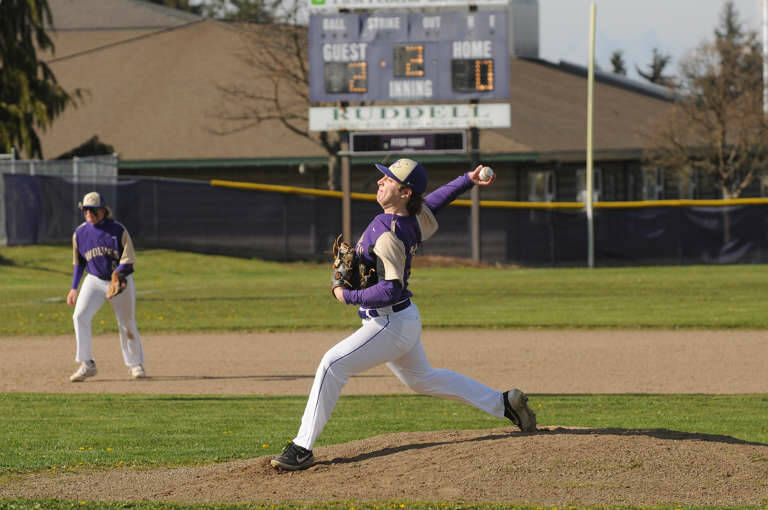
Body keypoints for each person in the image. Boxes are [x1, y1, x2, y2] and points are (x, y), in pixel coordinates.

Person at [270, 159, 536, 471]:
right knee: (422, 379)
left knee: (331, 365)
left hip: (389, 322)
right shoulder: (412, 217)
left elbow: (390, 289)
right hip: (402, 319)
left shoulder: (388, 233)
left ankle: (302, 448)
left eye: (388, 179)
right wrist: (467, 179)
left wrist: (346, 295)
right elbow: (434, 202)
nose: (381, 181)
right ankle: (502, 402)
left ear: (405, 191)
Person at [66, 191, 146, 382]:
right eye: (85, 209)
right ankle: (87, 363)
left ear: (103, 210)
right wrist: (74, 287)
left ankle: (135, 363)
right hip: (93, 280)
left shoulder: (117, 230)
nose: (89, 213)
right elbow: (79, 263)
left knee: (126, 322)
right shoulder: (80, 233)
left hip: (119, 281)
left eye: (93, 209)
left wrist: (118, 274)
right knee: (79, 316)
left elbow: (129, 259)